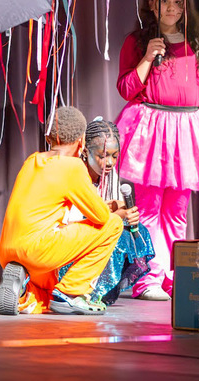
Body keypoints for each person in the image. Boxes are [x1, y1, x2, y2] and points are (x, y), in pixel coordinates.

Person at [115, 0, 199, 301]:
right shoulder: (137, 42)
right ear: (152, 4)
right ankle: (147, 277)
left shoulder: (197, 43)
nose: (173, 8)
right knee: (147, 209)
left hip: (187, 129)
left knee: (177, 211)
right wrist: (148, 57)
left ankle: (171, 276)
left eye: (178, 1)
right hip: (152, 127)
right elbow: (125, 89)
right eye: (165, 1)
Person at [0, 106, 130, 315]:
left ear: (49, 137)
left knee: (48, 295)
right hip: (38, 251)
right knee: (112, 225)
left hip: (8, 251)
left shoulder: (32, 160)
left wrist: (109, 205)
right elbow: (101, 218)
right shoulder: (73, 167)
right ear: (81, 141)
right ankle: (71, 294)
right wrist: (117, 213)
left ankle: (24, 295)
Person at [58, 117, 154, 305]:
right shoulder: (74, 173)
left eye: (114, 156)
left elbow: (111, 210)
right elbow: (69, 221)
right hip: (65, 242)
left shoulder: (109, 176)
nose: (109, 162)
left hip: (93, 232)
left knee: (136, 232)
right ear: (86, 152)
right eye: (102, 156)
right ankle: (75, 289)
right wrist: (115, 216)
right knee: (114, 228)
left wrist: (128, 215)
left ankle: (99, 290)